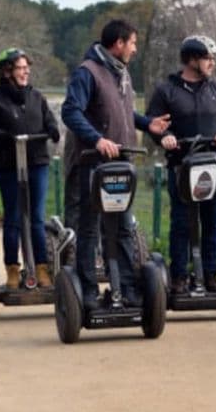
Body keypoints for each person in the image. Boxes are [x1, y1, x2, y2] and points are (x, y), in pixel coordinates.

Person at [61, 19, 169, 310]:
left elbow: (122, 110)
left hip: (121, 164)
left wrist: (148, 124)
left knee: (122, 228)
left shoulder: (120, 72)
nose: (135, 49)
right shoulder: (88, 72)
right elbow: (71, 112)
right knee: (90, 228)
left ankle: (127, 290)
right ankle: (88, 291)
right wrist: (96, 140)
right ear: (118, 44)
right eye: (132, 43)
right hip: (94, 164)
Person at [145, 35, 216, 294]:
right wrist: (164, 137)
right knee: (182, 222)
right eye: (208, 58)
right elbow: (154, 122)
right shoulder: (167, 91)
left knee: (212, 222)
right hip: (181, 166)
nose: (212, 63)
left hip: (212, 164)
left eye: (213, 59)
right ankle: (179, 276)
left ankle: (210, 274)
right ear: (191, 59)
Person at [0, 47, 60, 290]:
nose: (26, 72)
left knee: (36, 217)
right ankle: (13, 270)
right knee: (13, 217)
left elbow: (49, 120)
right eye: (21, 68)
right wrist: (2, 136)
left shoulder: (37, 97)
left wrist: (53, 130)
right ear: (7, 72)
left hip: (37, 162)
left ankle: (41, 269)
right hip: (9, 165)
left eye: (27, 68)